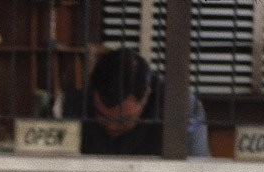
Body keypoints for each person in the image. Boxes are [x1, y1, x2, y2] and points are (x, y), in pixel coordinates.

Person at [54, 47, 210, 156]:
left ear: (147, 95)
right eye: (102, 115)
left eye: (124, 120)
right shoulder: (69, 107)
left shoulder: (180, 107)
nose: (112, 126)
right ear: (91, 91)